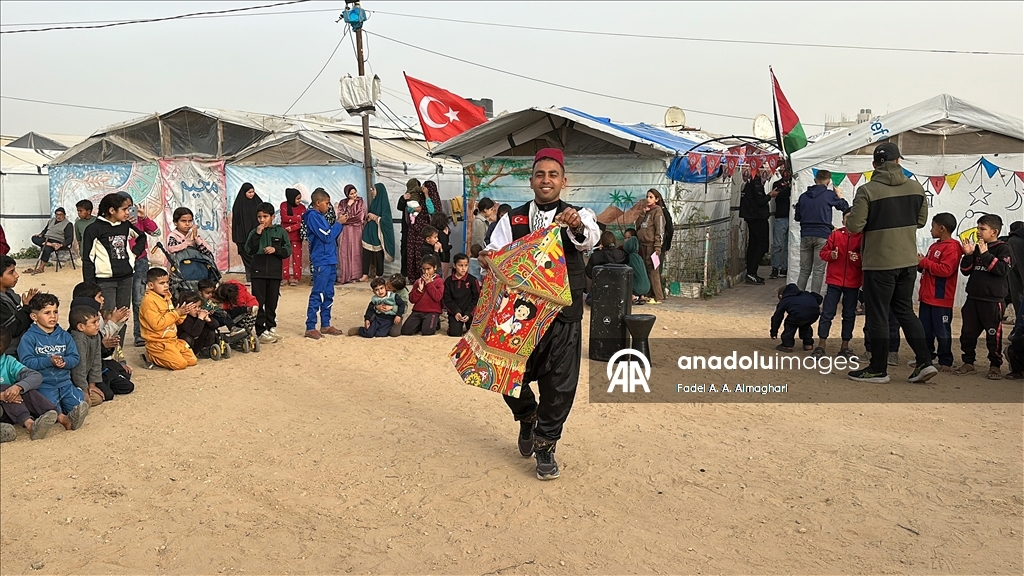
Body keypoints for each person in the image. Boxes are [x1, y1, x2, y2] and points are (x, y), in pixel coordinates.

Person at [481, 148, 601, 480]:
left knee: (560, 385)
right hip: (520, 315)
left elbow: (589, 239)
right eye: (539, 174)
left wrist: (576, 224)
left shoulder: (579, 214)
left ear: (563, 181)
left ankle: (545, 445)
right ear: (531, 180)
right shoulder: (513, 218)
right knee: (505, 375)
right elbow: (496, 250)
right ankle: (527, 416)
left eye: (552, 175)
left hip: (563, 314)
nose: (546, 180)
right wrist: (487, 257)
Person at [845, 142, 936, 384]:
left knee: (878, 316)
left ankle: (878, 369)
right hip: (907, 261)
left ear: (875, 164)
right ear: (898, 162)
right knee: (905, 311)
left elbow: (854, 227)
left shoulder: (866, 191)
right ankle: (925, 362)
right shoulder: (917, 188)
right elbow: (920, 221)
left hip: (879, 263)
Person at [17, 293, 89, 429]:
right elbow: (26, 362)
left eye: (55, 312)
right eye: (47, 313)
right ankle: (63, 417)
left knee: (80, 403)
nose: (53, 316)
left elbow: (75, 358)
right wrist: (49, 361)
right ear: (34, 317)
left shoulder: (64, 336)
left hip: (65, 384)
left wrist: (65, 362)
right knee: (48, 409)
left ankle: (72, 412)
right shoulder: (29, 338)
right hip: (44, 385)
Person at [955, 214, 1012, 380]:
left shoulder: (1003, 248)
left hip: (993, 301)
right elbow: (966, 271)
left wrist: (986, 255)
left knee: (993, 335)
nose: (978, 232)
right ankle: (968, 362)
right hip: (973, 298)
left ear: (994, 232)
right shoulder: (978, 248)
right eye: (978, 228)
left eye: (982, 229)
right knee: (967, 333)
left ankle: (995, 366)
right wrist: (968, 255)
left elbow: (1002, 270)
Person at [81, 192, 146, 319]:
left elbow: (142, 237)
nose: (128, 212)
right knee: (107, 316)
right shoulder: (93, 229)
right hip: (105, 281)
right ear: (111, 210)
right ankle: (106, 340)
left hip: (126, 278)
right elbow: (87, 260)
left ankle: (119, 340)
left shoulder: (126, 225)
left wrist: (134, 254)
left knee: (122, 316)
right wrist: (90, 287)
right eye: (124, 209)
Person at [0, 327, 68, 441]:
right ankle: (30, 425)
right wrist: (2, 395)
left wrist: (18, 387)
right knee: (6, 388)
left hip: (10, 408)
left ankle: (62, 418)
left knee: (24, 388)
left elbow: (36, 376)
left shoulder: (8, 362)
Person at [915, 213, 961, 372]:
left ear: (942, 228)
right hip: (927, 297)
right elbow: (928, 267)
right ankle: (926, 359)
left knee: (942, 331)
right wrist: (920, 264)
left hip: (941, 298)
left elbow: (946, 270)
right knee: (924, 330)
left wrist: (925, 262)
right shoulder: (934, 246)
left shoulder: (953, 247)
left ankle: (945, 361)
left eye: (933, 226)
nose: (930, 229)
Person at [812, 211, 862, 358]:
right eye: (847, 218)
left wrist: (857, 258)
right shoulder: (836, 235)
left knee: (849, 315)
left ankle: (845, 346)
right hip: (834, 281)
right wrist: (831, 256)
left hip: (852, 283)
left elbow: (867, 259)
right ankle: (821, 345)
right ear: (843, 220)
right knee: (827, 313)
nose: (849, 221)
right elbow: (823, 253)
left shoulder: (862, 237)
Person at [794, 170, 850, 294]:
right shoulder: (829, 195)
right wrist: (840, 195)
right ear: (828, 182)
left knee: (804, 270)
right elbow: (845, 207)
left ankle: (796, 297)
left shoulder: (803, 196)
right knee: (818, 271)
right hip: (822, 235)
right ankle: (815, 299)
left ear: (815, 180)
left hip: (806, 234)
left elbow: (797, 217)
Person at [244, 202, 290, 344]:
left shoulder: (280, 231)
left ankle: (271, 327)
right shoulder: (254, 232)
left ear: (272, 216)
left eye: (265, 216)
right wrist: (257, 235)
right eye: (259, 217)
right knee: (258, 301)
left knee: (272, 301)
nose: (262, 220)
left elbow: (287, 251)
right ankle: (260, 330)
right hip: (258, 271)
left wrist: (276, 250)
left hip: (274, 272)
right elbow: (248, 250)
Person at [302, 188, 344, 339]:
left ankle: (325, 324)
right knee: (318, 293)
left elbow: (329, 236)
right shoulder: (313, 216)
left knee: (329, 293)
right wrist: (338, 224)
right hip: (322, 260)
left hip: (330, 259)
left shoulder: (321, 216)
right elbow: (327, 237)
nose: (329, 206)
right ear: (318, 203)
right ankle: (310, 326)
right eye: (326, 203)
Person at [139, 267, 198, 371]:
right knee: (180, 364)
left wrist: (183, 312)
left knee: (192, 361)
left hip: (172, 340)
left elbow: (176, 321)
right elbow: (157, 325)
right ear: (151, 285)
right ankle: (150, 355)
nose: (166, 286)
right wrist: (176, 313)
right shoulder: (148, 302)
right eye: (161, 283)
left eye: (167, 282)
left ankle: (168, 354)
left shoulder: (167, 297)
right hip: (157, 343)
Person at [123, 195, 160, 348]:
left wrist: (143, 218)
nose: (128, 212)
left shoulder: (139, 219)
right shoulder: (114, 223)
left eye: (130, 207)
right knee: (121, 302)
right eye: (124, 208)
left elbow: (156, 233)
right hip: (121, 262)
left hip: (140, 261)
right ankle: (115, 339)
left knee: (138, 299)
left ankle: (139, 335)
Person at [68, 305, 107, 407]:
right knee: (87, 400)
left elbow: (96, 361)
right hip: (72, 381)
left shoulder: (96, 335)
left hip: (85, 380)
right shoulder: (79, 339)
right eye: (94, 322)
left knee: (98, 398)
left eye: (98, 321)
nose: (98, 325)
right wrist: (84, 390)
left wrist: (92, 385)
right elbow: (78, 368)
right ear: (81, 327)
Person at [739, 169, 772, 284]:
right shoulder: (755, 183)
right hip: (757, 218)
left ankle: (751, 272)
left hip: (752, 217)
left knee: (753, 244)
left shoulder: (751, 183)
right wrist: (770, 196)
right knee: (762, 244)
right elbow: (760, 201)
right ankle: (751, 272)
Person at [635, 189, 667, 303]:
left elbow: (660, 230)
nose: (648, 199)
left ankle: (658, 296)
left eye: (651, 197)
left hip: (652, 246)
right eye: (647, 197)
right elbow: (637, 226)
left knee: (653, 270)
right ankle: (648, 294)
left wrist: (657, 247)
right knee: (645, 270)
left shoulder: (657, 211)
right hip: (643, 245)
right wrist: (643, 213)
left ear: (657, 199)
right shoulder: (647, 211)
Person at [401, 254, 444, 336]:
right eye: (423, 269)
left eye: (429, 269)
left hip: (432, 311)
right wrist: (419, 290)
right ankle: (422, 323)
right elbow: (412, 299)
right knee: (405, 331)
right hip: (418, 311)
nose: (426, 272)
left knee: (427, 332)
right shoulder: (418, 281)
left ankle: (435, 322)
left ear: (435, 268)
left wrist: (429, 284)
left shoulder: (440, 281)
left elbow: (438, 297)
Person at [771, 284, 822, 353]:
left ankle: (787, 345)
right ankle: (808, 344)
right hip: (814, 314)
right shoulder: (806, 294)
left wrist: (774, 332)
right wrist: (813, 304)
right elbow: (819, 297)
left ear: (781, 296)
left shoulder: (785, 300)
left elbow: (777, 317)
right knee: (805, 325)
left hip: (798, 315)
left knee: (790, 325)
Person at [1, 255, 36, 355]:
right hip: (9, 352)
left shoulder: (9, 294)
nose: (17, 275)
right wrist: (26, 308)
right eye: (11, 272)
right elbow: (14, 329)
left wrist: (28, 305)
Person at [362, 183, 394, 281]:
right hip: (370, 231)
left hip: (378, 232)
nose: (372, 191)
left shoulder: (384, 203)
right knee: (366, 252)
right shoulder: (374, 201)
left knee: (378, 254)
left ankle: (378, 275)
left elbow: (387, 220)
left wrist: (375, 217)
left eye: (374, 189)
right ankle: (365, 274)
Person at [231, 182, 262, 284]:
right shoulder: (238, 205)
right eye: (249, 192)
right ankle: (250, 278)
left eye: (253, 192)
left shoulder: (258, 203)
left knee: (256, 257)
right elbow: (237, 223)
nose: (251, 194)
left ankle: (257, 277)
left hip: (256, 236)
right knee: (247, 257)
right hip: (242, 237)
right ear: (244, 193)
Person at [27, 208, 74, 275]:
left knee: (46, 248)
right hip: (47, 239)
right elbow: (45, 230)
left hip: (57, 241)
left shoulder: (68, 224)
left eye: (61, 215)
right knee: (34, 238)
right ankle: (51, 244)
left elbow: (69, 238)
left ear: (64, 215)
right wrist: (41, 234)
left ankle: (41, 267)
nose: (58, 216)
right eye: (57, 214)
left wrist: (61, 245)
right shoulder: (51, 221)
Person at [443, 253, 480, 337]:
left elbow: (476, 298)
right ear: (454, 265)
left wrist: (469, 313)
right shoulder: (448, 281)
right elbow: (447, 299)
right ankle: (453, 326)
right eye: (460, 265)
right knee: (455, 333)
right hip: (455, 313)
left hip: (470, 312)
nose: (463, 268)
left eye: (466, 265)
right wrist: (456, 312)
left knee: (474, 333)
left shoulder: (472, 280)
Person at [337, 184, 366, 284]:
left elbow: (360, 217)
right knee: (345, 252)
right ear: (347, 194)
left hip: (357, 231)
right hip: (345, 232)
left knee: (356, 251)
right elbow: (341, 217)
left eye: (355, 192)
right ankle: (346, 275)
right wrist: (349, 206)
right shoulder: (343, 203)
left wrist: (346, 221)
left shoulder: (361, 201)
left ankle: (355, 276)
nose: (354, 195)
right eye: (351, 193)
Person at [176, 291, 220, 356]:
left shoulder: (198, 314)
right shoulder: (183, 318)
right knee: (187, 337)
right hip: (188, 344)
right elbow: (194, 333)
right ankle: (188, 353)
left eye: (199, 306)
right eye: (194, 307)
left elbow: (216, 326)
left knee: (210, 331)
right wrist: (200, 319)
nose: (197, 309)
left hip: (198, 342)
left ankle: (206, 350)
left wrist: (208, 320)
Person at [279, 188, 306, 286]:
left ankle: (296, 277)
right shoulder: (284, 205)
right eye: (297, 199)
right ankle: (285, 277)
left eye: (300, 198)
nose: (299, 201)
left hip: (296, 235)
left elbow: (303, 221)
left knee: (297, 257)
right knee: (285, 257)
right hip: (285, 235)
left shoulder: (302, 207)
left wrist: (292, 227)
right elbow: (284, 217)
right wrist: (297, 218)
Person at [769, 167, 792, 279]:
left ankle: (784, 267)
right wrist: (788, 188)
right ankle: (774, 268)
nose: (786, 173)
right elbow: (778, 197)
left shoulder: (795, 184)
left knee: (788, 245)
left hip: (791, 217)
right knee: (778, 244)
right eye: (784, 171)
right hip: (781, 217)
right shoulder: (777, 184)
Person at [622, 236, 651, 304]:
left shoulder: (630, 258)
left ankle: (633, 296)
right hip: (647, 287)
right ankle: (642, 297)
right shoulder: (639, 258)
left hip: (637, 288)